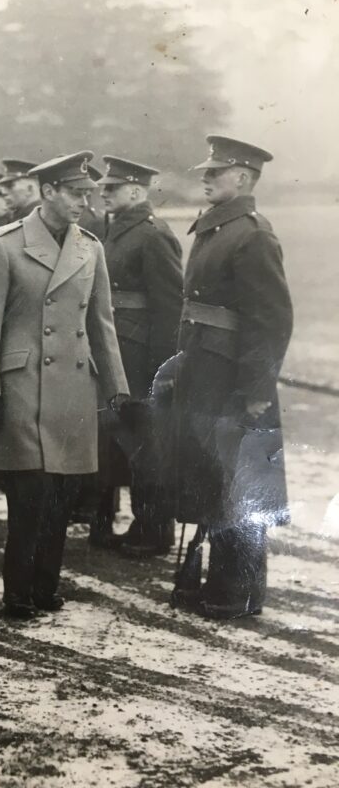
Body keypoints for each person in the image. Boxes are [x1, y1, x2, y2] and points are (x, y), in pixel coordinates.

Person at [0, 152, 129, 618]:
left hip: (74, 389)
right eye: (76, 193)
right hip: (22, 387)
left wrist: (116, 385)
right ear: (48, 192)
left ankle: (45, 586)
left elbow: (102, 323)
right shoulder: (3, 245)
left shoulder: (90, 248)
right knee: (30, 495)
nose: (85, 201)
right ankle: (18, 589)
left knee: (62, 496)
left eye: (88, 194)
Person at [171, 135, 293, 620]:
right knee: (214, 480)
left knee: (239, 486)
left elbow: (271, 319)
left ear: (242, 179)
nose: (204, 178)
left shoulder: (252, 235)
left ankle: (236, 592)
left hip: (236, 382)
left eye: (214, 172)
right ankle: (218, 584)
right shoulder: (214, 230)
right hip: (205, 372)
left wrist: (258, 390)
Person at [95, 156, 184, 557]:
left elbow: (169, 309)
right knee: (121, 444)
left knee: (147, 447)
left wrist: (161, 371)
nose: (103, 193)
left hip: (142, 360)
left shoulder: (152, 235)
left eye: (111, 188)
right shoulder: (116, 232)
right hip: (119, 353)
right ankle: (135, 524)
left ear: (134, 191)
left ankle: (154, 530)